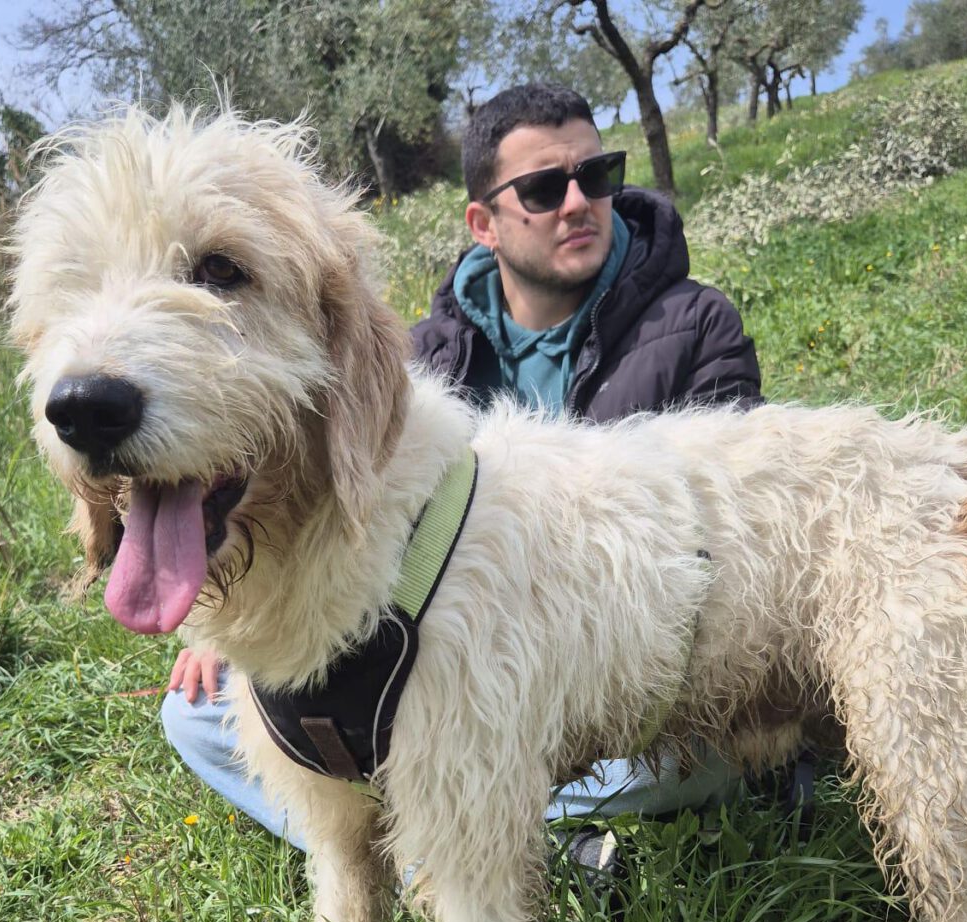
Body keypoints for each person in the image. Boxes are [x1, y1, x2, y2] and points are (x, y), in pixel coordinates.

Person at [162, 82, 761, 856]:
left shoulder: (698, 324)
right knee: (198, 715)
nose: (578, 203)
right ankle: (475, 843)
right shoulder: (428, 355)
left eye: (597, 175)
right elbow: (365, 534)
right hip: (440, 677)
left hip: (610, 672)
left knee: (696, 738)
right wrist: (249, 619)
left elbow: (734, 529)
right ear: (483, 223)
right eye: (543, 188)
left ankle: (448, 845)